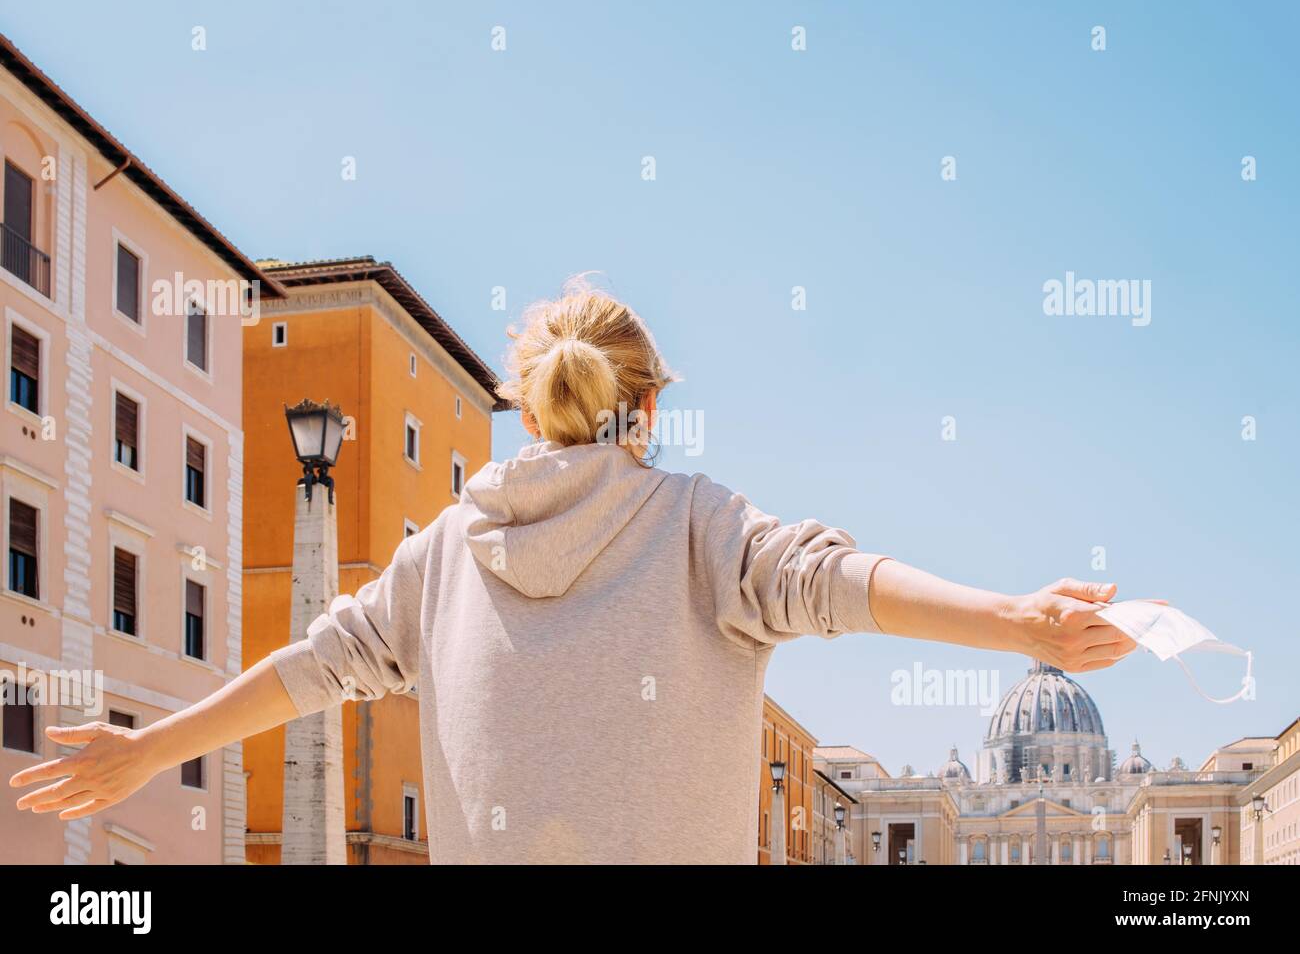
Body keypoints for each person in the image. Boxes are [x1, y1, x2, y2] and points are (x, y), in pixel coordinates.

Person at [9, 276, 1137, 863]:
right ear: (644, 410)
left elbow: (312, 667)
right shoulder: (698, 526)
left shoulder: (441, 551)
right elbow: (830, 579)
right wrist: (1014, 619)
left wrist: (148, 749)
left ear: (531, 405)